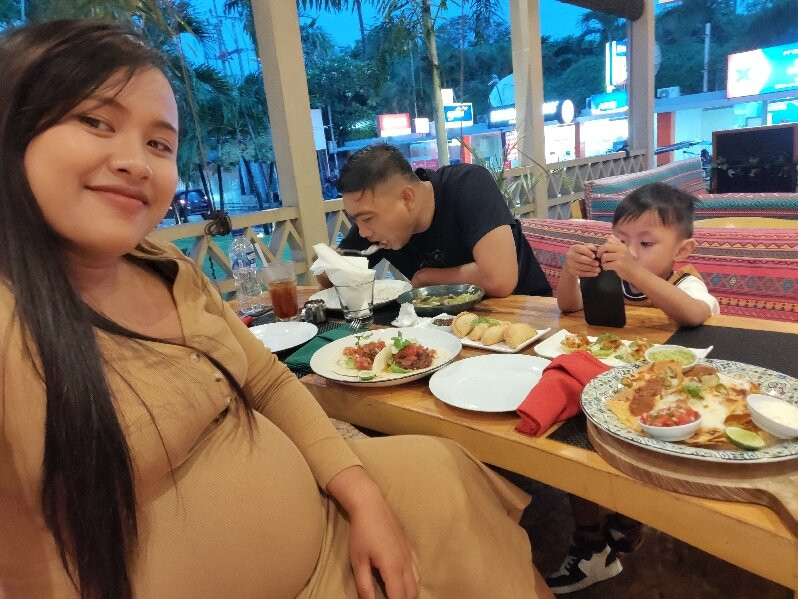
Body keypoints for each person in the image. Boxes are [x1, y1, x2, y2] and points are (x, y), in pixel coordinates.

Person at [0, 20, 554, 599]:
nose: (135, 162)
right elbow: (337, 263)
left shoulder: (169, 267)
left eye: (159, 144)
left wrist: (364, 497)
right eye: (96, 122)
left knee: (446, 473)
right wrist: (343, 262)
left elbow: (266, 380)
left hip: (353, 491)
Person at [548, 182, 720, 594]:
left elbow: (694, 315)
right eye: (621, 239)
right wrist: (570, 271)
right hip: (603, 385)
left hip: (661, 395)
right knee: (573, 444)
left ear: (681, 250)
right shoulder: (610, 274)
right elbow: (568, 307)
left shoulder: (685, 281)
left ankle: (627, 524)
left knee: (638, 461)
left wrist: (633, 270)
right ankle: (590, 544)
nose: (629, 250)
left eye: (646, 243)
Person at [335, 144, 552, 298]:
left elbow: (499, 280)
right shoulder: (374, 228)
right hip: (447, 329)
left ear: (407, 198)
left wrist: (426, 277)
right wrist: (327, 264)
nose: (362, 232)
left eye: (367, 218)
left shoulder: (467, 185)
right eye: (356, 219)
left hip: (526, 316)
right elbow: (335, 272)